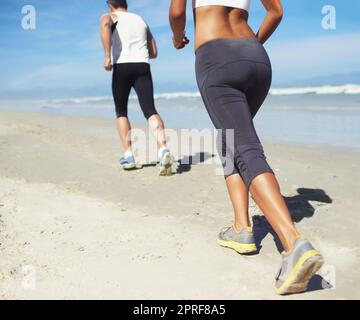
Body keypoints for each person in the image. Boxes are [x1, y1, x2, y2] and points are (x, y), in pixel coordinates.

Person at [169, 0, 324, 295]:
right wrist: (248, 48)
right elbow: (276, 11)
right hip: (256, 57)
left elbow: (176, 13)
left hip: (215, 56)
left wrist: (178, 38)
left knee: (245, 147)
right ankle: (242, 228)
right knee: (230, 140)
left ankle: (294, 243)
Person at [100, 0, 173, 175]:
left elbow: (104, 24)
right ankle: (163, 149)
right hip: (142, 66)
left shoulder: (109, 16)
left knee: (121, 111)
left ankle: (129, 155)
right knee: (150, 110)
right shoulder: (141, 19)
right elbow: (154, 51)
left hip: (122, 67)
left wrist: (107, 56)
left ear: (110, 4)